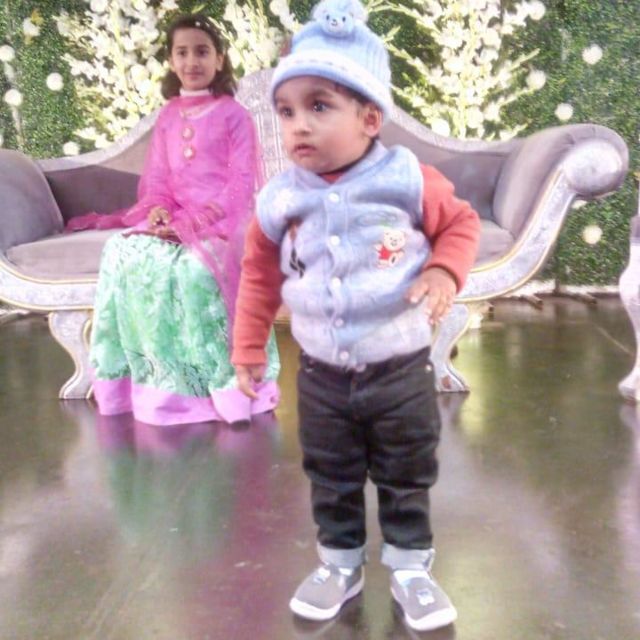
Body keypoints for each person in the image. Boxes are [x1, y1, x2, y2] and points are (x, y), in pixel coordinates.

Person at [231, 0, 480, 632]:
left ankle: (411, 567)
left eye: (319, 107)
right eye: (286, 111)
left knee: (407, 470)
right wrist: (249, 350)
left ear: (370, 118)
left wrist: (443, 271)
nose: (298, 126)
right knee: (330, 472)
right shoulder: (279, 199)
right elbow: (258, 275)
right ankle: (339, 563)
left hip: (399, 370)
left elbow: (461, 224)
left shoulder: (407, 178)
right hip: (321, 375)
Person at [68, 14, 280, 426]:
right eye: (182, 52)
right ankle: (142, 388)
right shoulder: (168, 116)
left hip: (224, 221)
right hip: (174, 221)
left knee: (195, 270)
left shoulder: (234, 115)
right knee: (122, 253)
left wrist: (199, 221)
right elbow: (159, 181)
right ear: (170, 60)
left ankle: (220, 390)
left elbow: (239, 186)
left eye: (202, 52)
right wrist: (159, 210)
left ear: (219, 59)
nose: (192, 61)